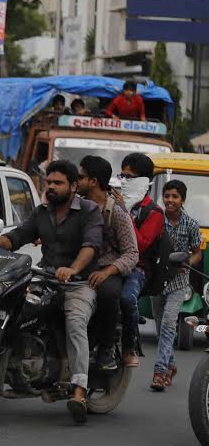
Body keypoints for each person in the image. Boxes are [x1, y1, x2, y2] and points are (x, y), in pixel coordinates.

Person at [0, 159, 102, 423]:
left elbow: (91, 246)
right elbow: (17, 236)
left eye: (58, 183)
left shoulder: (88, 211)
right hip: (45, 277)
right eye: (48, 182)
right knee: (10, 305)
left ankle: (79, 390)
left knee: (75, 322)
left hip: (78, 282)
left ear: (73, 186)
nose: (51, 187)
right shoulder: (42, 212)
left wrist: (72, 269)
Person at [75, 156, 137, 374]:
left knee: (108, 294)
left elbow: (132, 253)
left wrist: (107, 271)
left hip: (108, 271)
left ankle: (106, 350)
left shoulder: (116, 212)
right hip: (77, 268)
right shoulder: (74, 207)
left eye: (80, 177)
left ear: (93, 181)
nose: (76, 181)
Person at [150, 179, 201, 390]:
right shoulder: (155, 220)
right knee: (162, 328)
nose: (170, 200)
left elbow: (197, 253)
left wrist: (186, 263)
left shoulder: (191, 224)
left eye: (175, 197)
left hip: (179, 283)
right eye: (167, 196)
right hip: (156, 281)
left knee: (170, 324)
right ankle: (171, 365)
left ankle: (160, 372)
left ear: (183, 200)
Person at [118, 152, 164, 366]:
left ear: (145, 182)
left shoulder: (153, 213)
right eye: (122, 176)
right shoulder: (113, 202)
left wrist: (124, 213)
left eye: (130, 178)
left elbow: (141, 244)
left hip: (137, 268)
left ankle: (130, 343)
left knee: (127, 298)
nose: (124, 182)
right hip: (108, 263)